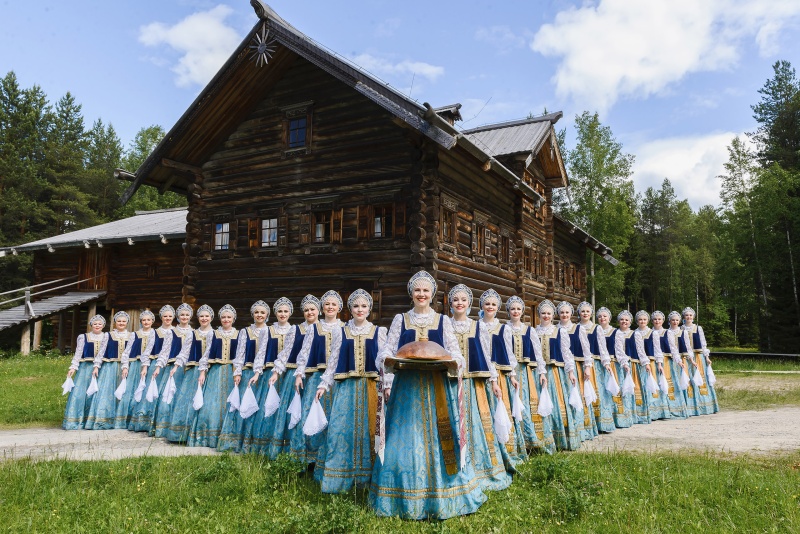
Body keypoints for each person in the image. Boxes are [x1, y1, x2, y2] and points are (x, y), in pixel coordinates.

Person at [369, 271, 487, 520]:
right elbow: (386, 352)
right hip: (407, 388)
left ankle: (443, 493)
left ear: (432, 295)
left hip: (437, 388)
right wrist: (388, 374)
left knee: (439, 435)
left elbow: (456, 354)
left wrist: (454, 362)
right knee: (405, 436)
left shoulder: (443, 321)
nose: (421, 295)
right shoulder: (400, 320)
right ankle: (400, 495)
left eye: (426, 291)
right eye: (417, 290)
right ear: (411, 293)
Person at [313, 289, 389, 493]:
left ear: (370, 309)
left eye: (364, 306)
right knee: (341, 429)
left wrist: (388, 384)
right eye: (356, 306)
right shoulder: (341, 332)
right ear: (350, 309)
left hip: (371, 388)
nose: (360, 309)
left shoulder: (379, 332)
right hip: (345, 389)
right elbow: (333, 362)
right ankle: (340, 479)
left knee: (370, 430)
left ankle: (369, 479)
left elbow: (384, 362)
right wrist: (323, 385)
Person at [449, 285, 511, 491]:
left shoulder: (478, 327)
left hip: (474, 384)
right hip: (450, 383)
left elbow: (486, 355)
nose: (460, 303)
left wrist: (494, 381)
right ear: (451, 303)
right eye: (456, 299)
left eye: (463, 300)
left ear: (469, 304)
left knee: (475, 423)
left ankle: (479, 468)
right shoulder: (444, 325)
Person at [292, 290, 344, 466]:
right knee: (309, 413)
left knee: (333, 416)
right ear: (322, 307)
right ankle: (309, 459)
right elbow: (304, 352)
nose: (330, 307)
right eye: (327, 304)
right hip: (316, 377)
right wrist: (299, 374)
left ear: (339, 308)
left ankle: (329, 459)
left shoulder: (345, 327)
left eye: (333, 304)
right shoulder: (314, 328)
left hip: (337, 379)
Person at [265, 295, 318, 459]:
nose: (309, 312)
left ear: (319, 311)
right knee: (295, 412)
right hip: (296, 375)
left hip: (316, 376)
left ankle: (314, 452)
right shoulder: (296, 329)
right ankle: (292, 451)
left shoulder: (326, 329)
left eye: (312, 309)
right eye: (306, 310)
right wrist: (275, 372)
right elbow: (286, 352)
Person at [480, 289, 527, 468]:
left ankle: (506, 449)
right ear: (482, 306)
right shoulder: (476, 325)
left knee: (502, 409)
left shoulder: (504, 328)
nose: (490, 307)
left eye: (493, 304)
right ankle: (488, 449)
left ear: (498, 307)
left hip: (499, 374)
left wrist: (512, 375)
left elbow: (509, 353)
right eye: (487, 304)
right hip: (483, 375)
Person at [217, 300, 270, 452]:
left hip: (264, 374)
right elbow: (239, 353)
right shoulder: (245, 332)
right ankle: (239, 442)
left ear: (267, 315)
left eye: (262, 312)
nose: (259, 315)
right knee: (243, 406)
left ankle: (258, 443)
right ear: (252, 314)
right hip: (248, 372)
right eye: (256, 312)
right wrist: (237, 372)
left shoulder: (271, 331)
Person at [246, 298, 296, 454]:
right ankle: (264, 445)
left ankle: (283, 445)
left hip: (287, 374)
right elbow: (260, 353)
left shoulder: (294, 330)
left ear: (290, 313)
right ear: (274, 313)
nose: (282, 314)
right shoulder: (267, 331)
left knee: (284, 408)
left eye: (285, 311)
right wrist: (256, 372)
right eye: (280, 311)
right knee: (267, 407)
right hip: (269, 373)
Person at [505, 295, 554, 454]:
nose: (516, 311)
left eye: (518, 309)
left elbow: (538, 353)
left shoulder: (529, 330)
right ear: (508, 311)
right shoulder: (504, 328)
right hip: (508, 372)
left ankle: (530, 440)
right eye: (513, 308)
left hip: (525, 373)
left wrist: (542, 372)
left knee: (526, 402)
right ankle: (514, 443)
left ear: (523, 311)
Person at [188, 304, 239, 448]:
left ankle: (227, 438)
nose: (226, 319)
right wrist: (203, 372)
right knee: (211, 404)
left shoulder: (239, 333)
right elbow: (206, 354)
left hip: (231, 371)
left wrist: (237, 372)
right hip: (215, 371)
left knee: (230, 405)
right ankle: (208, 437)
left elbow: (240, 355)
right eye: (223, 317)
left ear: (233, 318)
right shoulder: (213, 333)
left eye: (229, 317)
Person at [164, 304, 214, 443]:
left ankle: (203, 434)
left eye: (206, 316)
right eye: (202, 316)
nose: (204, 318)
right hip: (193, 370)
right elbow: (185, 351)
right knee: (188, 401)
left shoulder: (214, 333)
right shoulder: (193, 333)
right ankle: (183, 434)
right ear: (197, 318)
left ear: (211, 318)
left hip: (210, 371)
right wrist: (176, 366)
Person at [536, 300, 580, 451]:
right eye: (543, 313)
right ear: (539, 315)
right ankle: (544, 438)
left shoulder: (559, 331)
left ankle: (560, 439)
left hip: (555, 372)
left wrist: (571, 372)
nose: (546, 316)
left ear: (553, 315)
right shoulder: (534, 331)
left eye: (549, 313)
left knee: (558, 402)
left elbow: (567, 354)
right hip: (538, 372)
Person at [129, 305, 174, 433]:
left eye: (170, 316)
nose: (167, 318)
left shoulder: (176, 331)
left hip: (170, 364)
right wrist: (145, 366)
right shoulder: (155, 332)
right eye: (165, 316)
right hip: (156, 364)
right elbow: (148, 350)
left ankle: (165, 422)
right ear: (161, 318)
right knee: (152, 392)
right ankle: (147, 422)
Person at [152, 303, 194, 437]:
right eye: (182, 314)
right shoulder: (171, 332)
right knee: (168, 397)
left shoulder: (194, 332)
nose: (184, 317)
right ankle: (164, 428)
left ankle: (182, 428)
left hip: (188, 369)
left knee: (185, 398)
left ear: (190, 316)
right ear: (178, 316)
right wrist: (158, 366)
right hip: (172, 368)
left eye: (187, 315)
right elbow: (164, 352)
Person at [85, 311, 131, 430]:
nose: (121, 323)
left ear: (127, 323)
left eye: (123, 321)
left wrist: (126, 366)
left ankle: (121, 421)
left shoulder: (131, 336)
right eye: (119, 321)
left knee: (124, 393)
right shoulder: (108, 335)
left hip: (125, 367)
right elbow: (101, 351)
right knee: (107, 392)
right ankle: (104, 420)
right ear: (115, 323)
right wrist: (96, 366)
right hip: (110, 367)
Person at [559, 301, 597, 441]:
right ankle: (568, 429)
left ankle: (582, 429)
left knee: (579, 395)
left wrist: (587, 367)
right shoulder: (555, 329)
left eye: (567, 312)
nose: (564, 315)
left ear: (571, 314)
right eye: (562, 312)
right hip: (561, 367)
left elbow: (587, 349)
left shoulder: (578, 329)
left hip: (577, 366)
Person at [63, 315, 108, 430]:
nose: (97, 326)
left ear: (103, 325)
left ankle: (92, 421)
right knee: (80, 393)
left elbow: (102, 352)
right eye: (95, 324)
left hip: (101, 368)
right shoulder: (84, 337)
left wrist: (97, 365)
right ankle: (77, 420)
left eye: (99, 324)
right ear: (91, 325)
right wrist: (73, 367)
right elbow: (78, 353)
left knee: (97, 394)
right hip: (85, 368)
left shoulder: (106, 337)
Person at [116, 310, 156, 429]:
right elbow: (127, 352)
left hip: (150, 365)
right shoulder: (135, 334)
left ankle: (143, 420)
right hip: (135, 365)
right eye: (144, 320)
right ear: (141, 321)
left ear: (152, 321)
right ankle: (126, 420)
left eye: (148, 320)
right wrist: (125, 366)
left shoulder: (155, 334)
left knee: (146, 391)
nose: (146, 322)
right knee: (131, 391)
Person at [581, 303, 616, 433]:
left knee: (599, 391)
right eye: (583, 311)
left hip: (595, 364)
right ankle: (588, 423)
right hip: (581, 364)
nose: (585, 313)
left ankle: (603, 423)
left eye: (587, 311)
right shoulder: (575, 327)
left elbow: (602, 347)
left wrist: (606, 363)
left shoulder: (597, 328)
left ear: (591, 314)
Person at [682, 307, 719, 414]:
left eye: (690, 315)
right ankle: (690, 406)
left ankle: (704, 405)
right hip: (686, 358)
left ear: (693, 317)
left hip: (698, 356)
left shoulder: (698, 328)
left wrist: (707, 357)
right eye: (686, 315)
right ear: (684, 317)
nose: (688, 317)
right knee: (688, 378)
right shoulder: (681, 329)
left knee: (701, 378)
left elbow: (703, 344)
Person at [614, 310, 648, 425]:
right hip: (618, 366)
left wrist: (646, 363)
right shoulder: (615, 333)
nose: (624, 322)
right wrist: (623, 362)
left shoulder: (635, 334)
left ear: (630, 322)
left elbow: (640, 350)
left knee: (634, 390)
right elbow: (617, 350)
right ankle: (622, 416)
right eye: (622, 320)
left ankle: (635, 415)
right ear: (618, 321)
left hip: (633, 365)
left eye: (626, 320)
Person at [657, 311, 688, 419]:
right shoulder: (650, 332)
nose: (657, 321)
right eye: (655, 319)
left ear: (663, 321)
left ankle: (673, 408)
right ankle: (659, 410)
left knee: (670, 384)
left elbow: (673, 348)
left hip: (667, 361)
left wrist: (679, 361)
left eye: (659, 319)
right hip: (654, 362)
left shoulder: (667, 332)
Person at [642, 311, 671, 421]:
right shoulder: (635, 333)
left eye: (644, 319)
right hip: (640, 363)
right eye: (655, 319)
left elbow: (658, 349)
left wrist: (659, 364)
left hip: (652, 362)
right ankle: (647, 412)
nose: (657, 321)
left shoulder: (652, 333)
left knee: (654, 386)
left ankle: (658, 411)